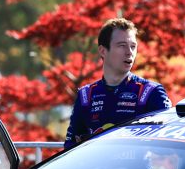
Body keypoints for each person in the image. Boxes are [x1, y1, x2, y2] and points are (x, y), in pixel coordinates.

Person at [64, 17, 171, 149]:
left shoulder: (151, 92)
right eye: (122, 46)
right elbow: (70, 146)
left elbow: (165, 145)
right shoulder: (86, 95)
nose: (129, 52)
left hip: (136, 163)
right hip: (98, 162)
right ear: (103, 51)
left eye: (133, 46)